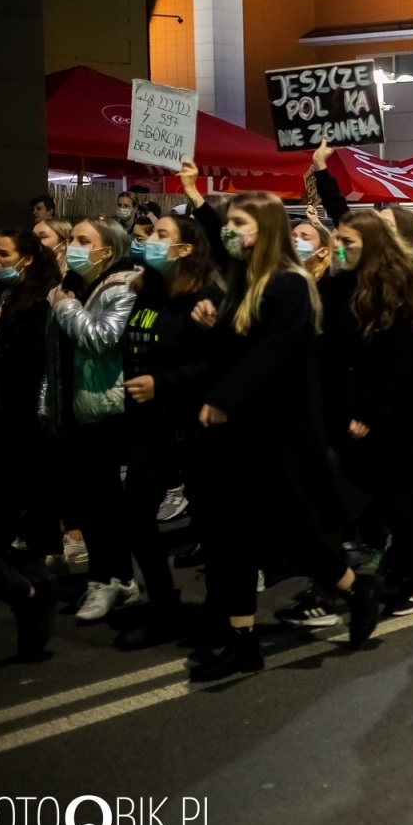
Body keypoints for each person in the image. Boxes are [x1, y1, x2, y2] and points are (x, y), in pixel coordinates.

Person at [191, 191, 378, 681]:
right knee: (235, 537)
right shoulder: (243, 283)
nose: (229, 232)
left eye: (238, 223)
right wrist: (212, 326)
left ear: (265, 229)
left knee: (296, 537)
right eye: (227, 223)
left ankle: (357, 589)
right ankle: (242, 640)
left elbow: (269, 353)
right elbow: (236, 348)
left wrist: (224, 397)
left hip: (281, 436)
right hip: (243, 435)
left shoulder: (289, 286)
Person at [304, 210, 413, 617]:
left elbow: (396, 360)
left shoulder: (395, 287)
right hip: (344, 415)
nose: (340, 250)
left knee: (399, 502)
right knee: (343, 505)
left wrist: (367, 411)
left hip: (390, 418)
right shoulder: (338, 284)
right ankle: (334, 590)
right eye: (338, 242)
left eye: (349, 244)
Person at [114, 214, 223, 648]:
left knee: (210, 523)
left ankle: (221, 610)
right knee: (136, 512)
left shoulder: (204, 296)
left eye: (162, 235)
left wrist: (163, 384)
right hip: (149, 427)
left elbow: (216, 362)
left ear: (185, 249)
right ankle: (165, 606)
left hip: (193, 426)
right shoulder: (145, 292)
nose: (150, 242)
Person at [44, 216, 141, 622]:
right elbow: (56, 356)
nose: (73, 247)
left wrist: (65, 307)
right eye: (73, 240)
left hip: (104, 409)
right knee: (89, 500)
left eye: (84, 240)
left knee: (103, 502)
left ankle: (107, 580)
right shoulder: (74, 287)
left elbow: (101, 340)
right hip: (73, 407)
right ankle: (116, 579)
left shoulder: (123, 287)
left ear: (108, 250)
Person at [0, 230, 61, 566]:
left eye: (3, 254)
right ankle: (41, 542)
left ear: (26, 259)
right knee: (13, 476)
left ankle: (0, 556)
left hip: (25, 401)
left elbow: (33, 358)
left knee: (16, 479)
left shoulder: (40, 298)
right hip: (2, 398)